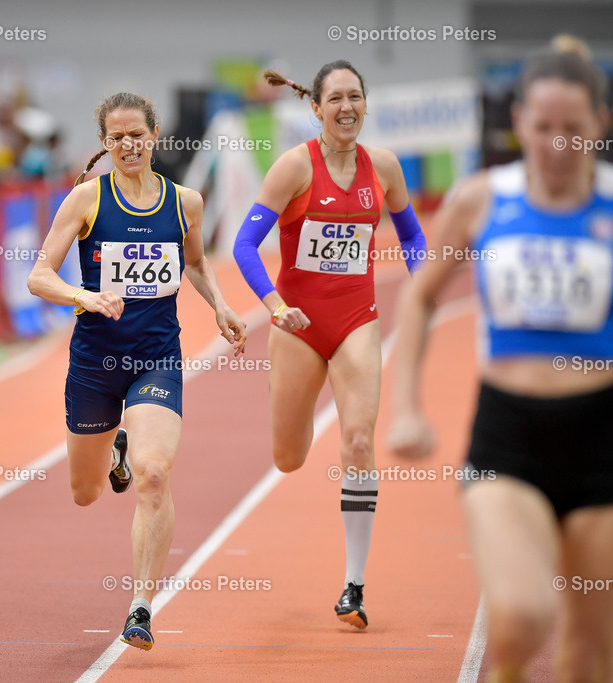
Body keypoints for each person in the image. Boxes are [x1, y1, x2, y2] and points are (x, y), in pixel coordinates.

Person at [387, 38, 613, 681]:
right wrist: (406, 409)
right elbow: (420, 299)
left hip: (607, 438)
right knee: (522, 616)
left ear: (600, 124)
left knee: (588, 656)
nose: (558, 144)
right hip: (508, 437)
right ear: (519, 123)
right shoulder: (481, 200)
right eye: (543, 127)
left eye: (573, 129)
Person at [28, 92, 246, 650]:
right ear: (105, 143)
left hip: (156, 357)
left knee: (153, 475)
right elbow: (39, 276)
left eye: (136, 135)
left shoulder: (185, 202)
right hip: (95, 361)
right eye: (116, 137)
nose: (128, 145)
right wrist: (83, 295)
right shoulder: (87, 198)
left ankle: (141, 607)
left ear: (154, 135)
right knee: (85, 492)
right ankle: (113, 452)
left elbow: (195, 261)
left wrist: (220, 305)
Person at [232, 61, 427, 630]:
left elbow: (412, 234)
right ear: (315, 108)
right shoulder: (294, 167)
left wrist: (424, 289)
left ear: (366, 104)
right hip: (296, 325)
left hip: (357, 320)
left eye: (355, 96)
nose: (347, 107)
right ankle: (287, 398)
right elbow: (244, 244)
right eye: (335, 98)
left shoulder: (383, 167)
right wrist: (275, 307)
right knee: (288, 458)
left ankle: (353, 587)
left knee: (359, 441)